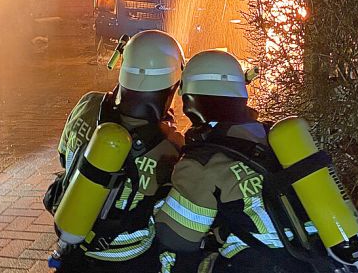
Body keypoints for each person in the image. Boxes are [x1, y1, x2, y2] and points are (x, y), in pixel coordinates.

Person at [154, 49, 307, 273]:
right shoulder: (272, 137)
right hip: (313, 258)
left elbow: (177, 238)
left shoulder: (202, 161)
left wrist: (163, 190)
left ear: (191, 102)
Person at [47, 30, 184, 272]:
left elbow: (62, 157)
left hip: (75, 251)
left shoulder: (87, 104)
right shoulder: (172, 147)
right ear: (172, 87)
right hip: (131, 258)